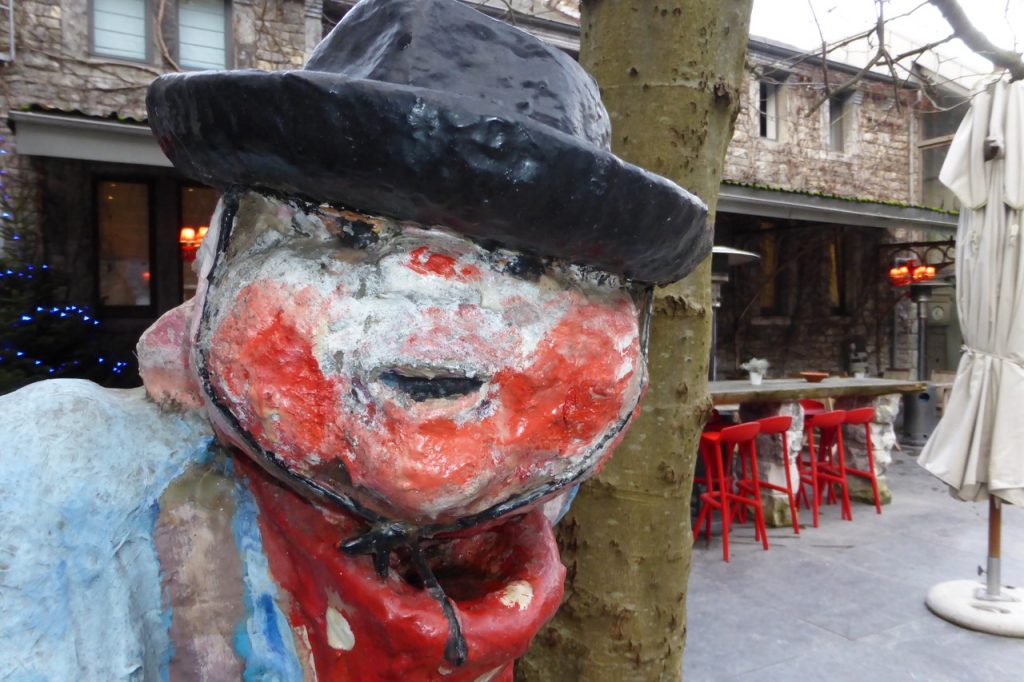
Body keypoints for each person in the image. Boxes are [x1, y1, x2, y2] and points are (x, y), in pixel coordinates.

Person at [0, 0, 707, 679]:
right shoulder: (58, 477)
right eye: (350, 236)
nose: (431, 287)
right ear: (219, 271)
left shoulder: (529, 493)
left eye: (524, 266)